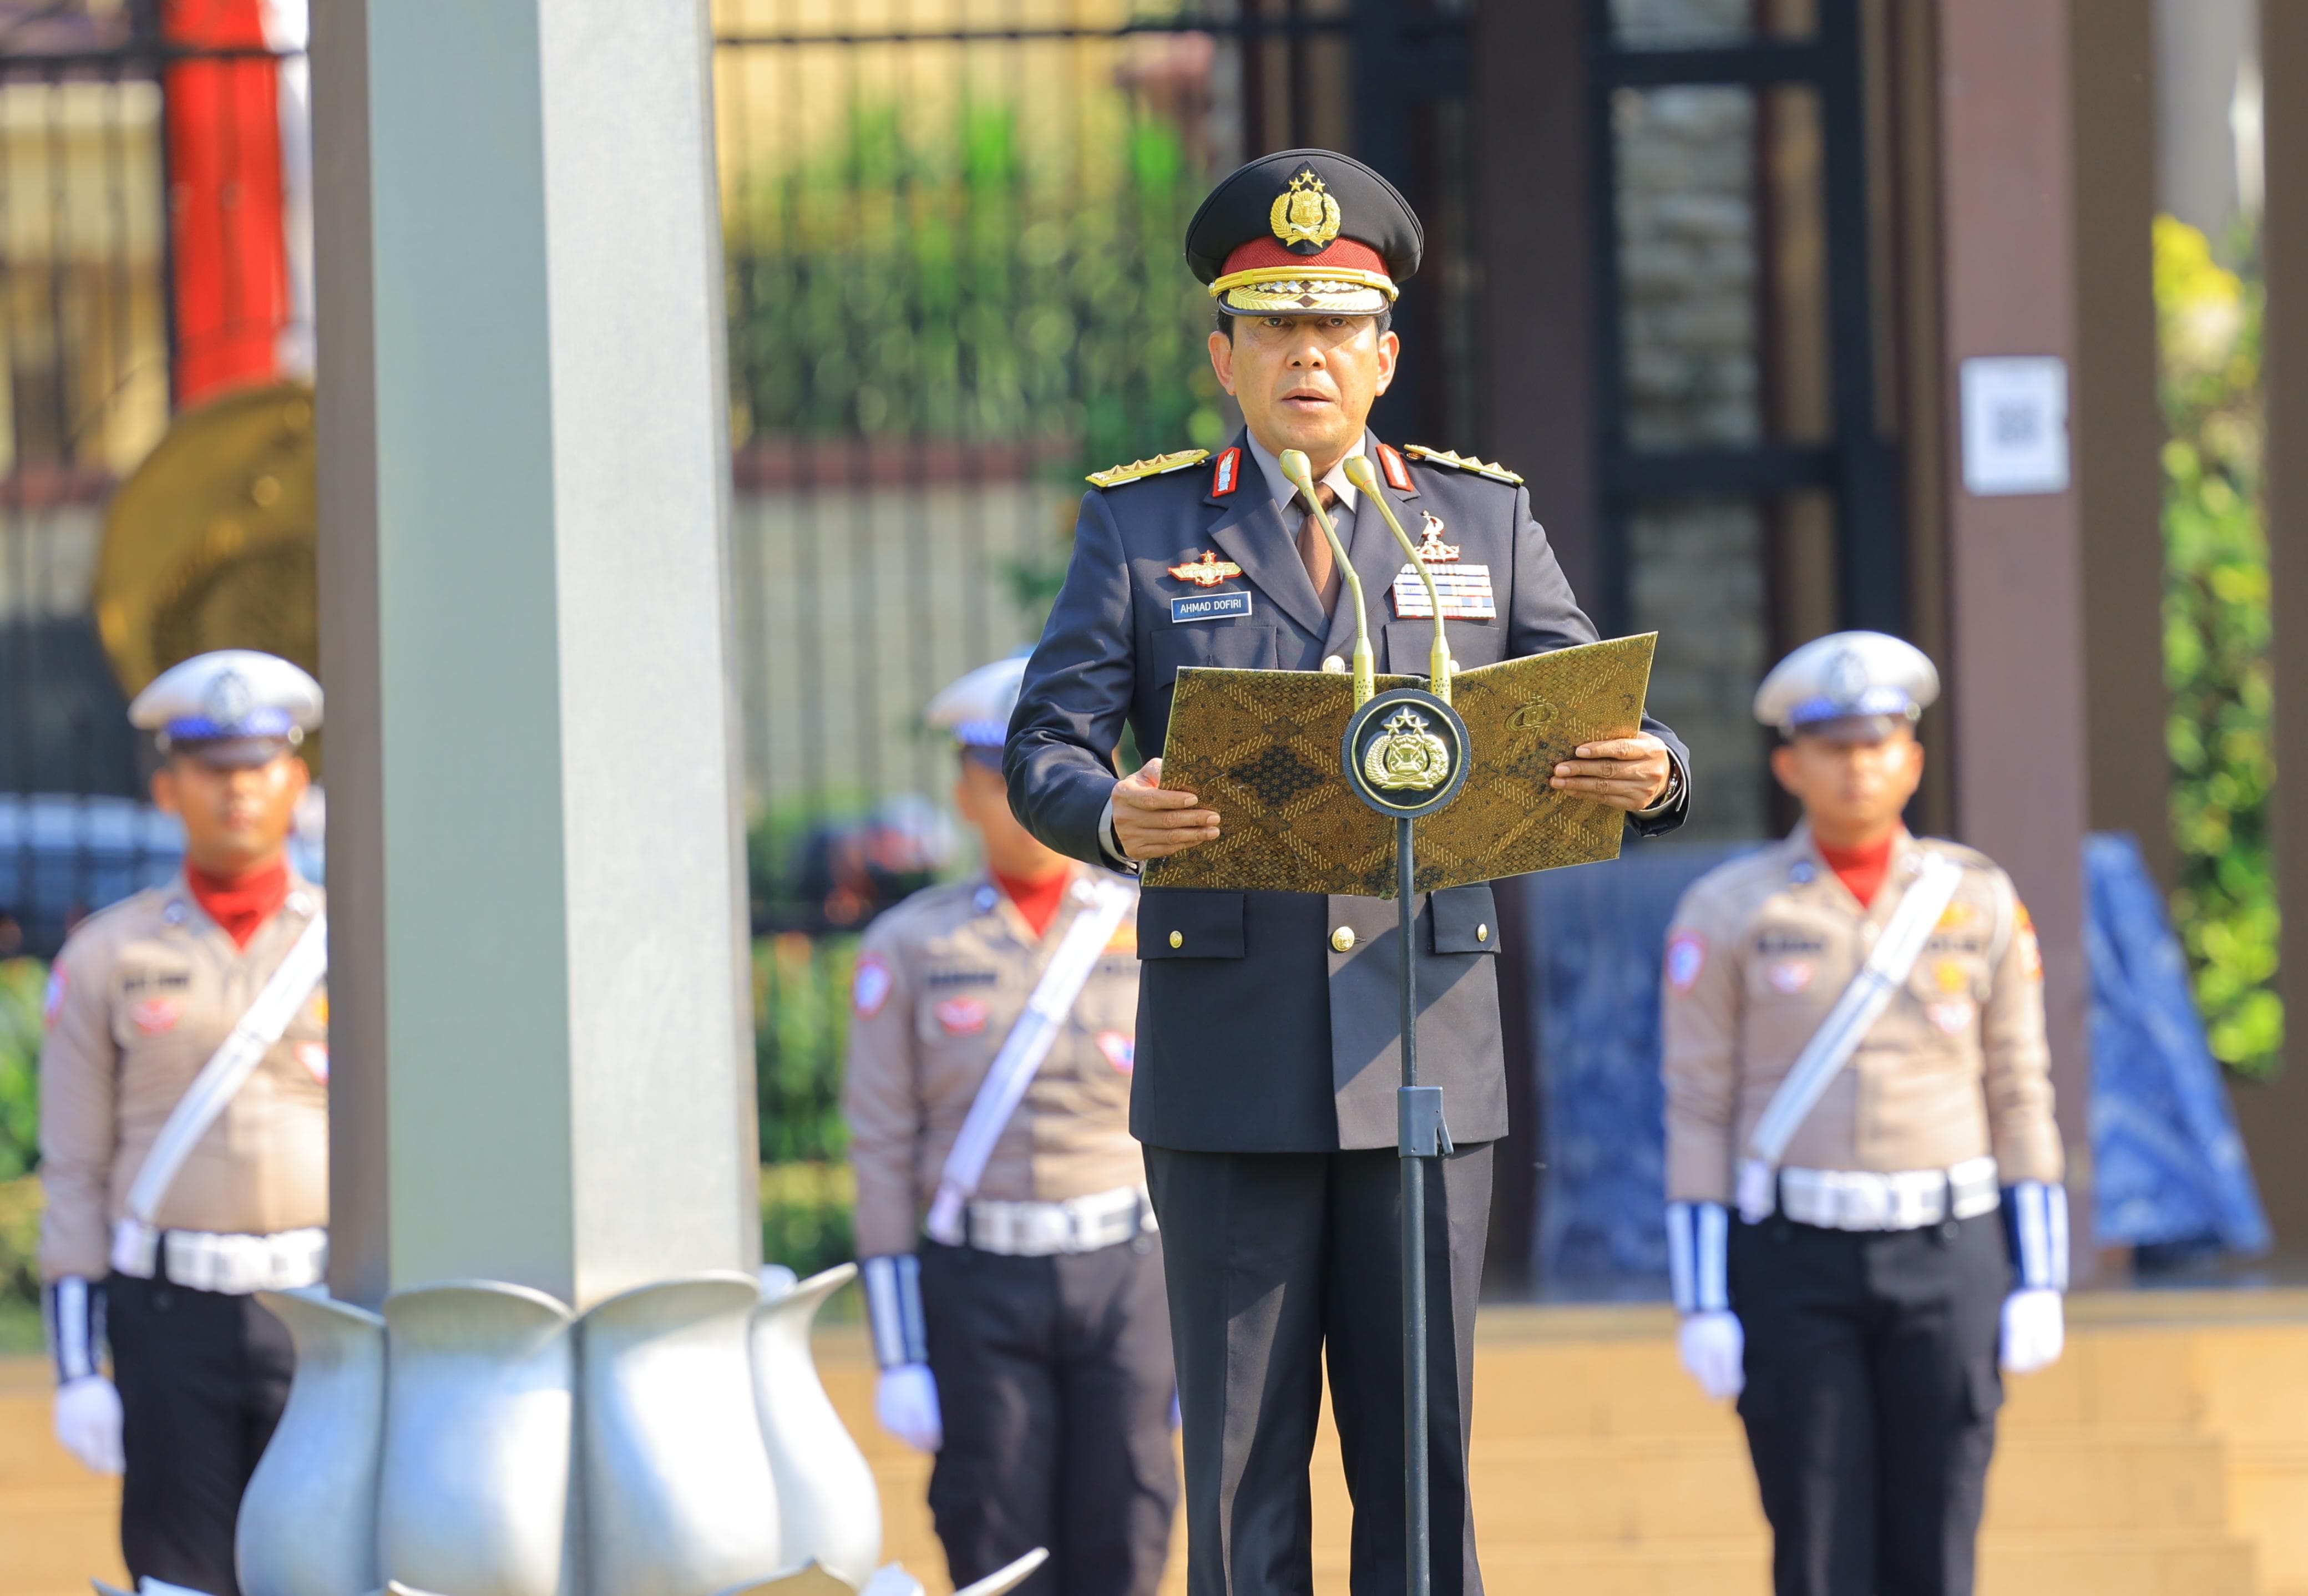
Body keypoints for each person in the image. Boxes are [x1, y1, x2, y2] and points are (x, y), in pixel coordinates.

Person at [1005, 148, 1691, 1596]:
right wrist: (1113, 815)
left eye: (1334, 328)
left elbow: (1578, 702)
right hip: (1229, 1058)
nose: (1305, 353)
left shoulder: (1470, 518)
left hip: (1423, 1046)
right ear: (1224, 354)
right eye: (1273, 325)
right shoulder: (1141, 527)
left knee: (1420, 1460)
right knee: (1244, 1460)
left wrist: (1660, 766)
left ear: (1384, 355)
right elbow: (1046, 745)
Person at [1661, 631, 2068, 1596]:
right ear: (1789, 763)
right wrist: (1702, 1297)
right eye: (1833, 745)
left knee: (1939, 1535)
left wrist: (2041, 1272)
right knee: (1817, 1537)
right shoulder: (1729, 910)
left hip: (1949, 1245)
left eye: (1878, 742)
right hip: (1795, 1251)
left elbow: (2021, 1083)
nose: (1858, 765)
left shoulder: (1977, 897)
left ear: (1913, 758)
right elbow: (1696, 1105)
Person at [844, 655, 1177, 1596]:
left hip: (1128, 1268)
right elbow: (878, 1148)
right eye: (1000, 777)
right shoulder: (911, 944)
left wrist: (1205, 1324)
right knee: (994, 1536)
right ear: (964, 791)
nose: (1024, 799)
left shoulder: (1157, 921)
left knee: (1131, 1529)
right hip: (978, 1275)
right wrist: (899, 1349)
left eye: (1044, 773)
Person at [39, 649, 329, 1596]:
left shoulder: (359, 942)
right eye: (212, 769)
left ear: (298, 779)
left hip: (324, 1313)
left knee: (327, 1571)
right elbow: (76, 1166)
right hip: (168, 1319)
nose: (237, 790)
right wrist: (81, 1366)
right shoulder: (107, 953)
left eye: (258, 766)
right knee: (182, 1583)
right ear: (168, 789)